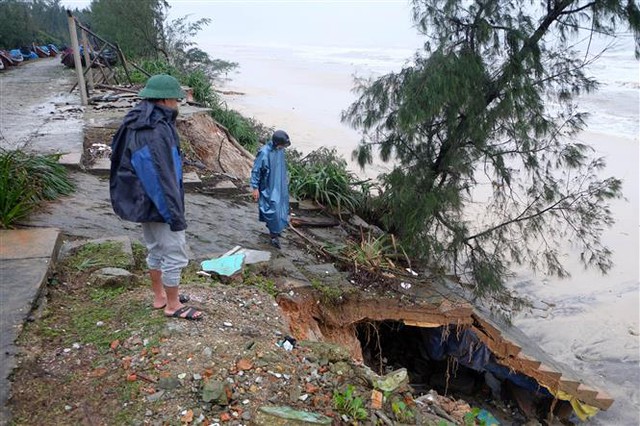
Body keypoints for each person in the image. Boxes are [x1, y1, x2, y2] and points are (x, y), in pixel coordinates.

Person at [109, 74, 202, 321]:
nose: (178, 104)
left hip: (141, 199)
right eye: (176, 99)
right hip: (158, 201)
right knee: (174, 251)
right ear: (164, 99)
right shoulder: (156, 129)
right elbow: (160, 176)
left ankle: (160, 296)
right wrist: (174, 213)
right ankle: (173, 305)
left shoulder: (135, 120)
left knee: (155, 248)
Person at [250, 130, 291, 249]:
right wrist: (255, 187)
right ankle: (274, 235)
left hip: (279, 184)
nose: (283, 147)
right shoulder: (264, 153)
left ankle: (276, 230)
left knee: (281, 207)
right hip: (268, 186)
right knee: (272, 209)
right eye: (282, 145)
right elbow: (256, 171)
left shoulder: (279, 150)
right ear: (277, 142)